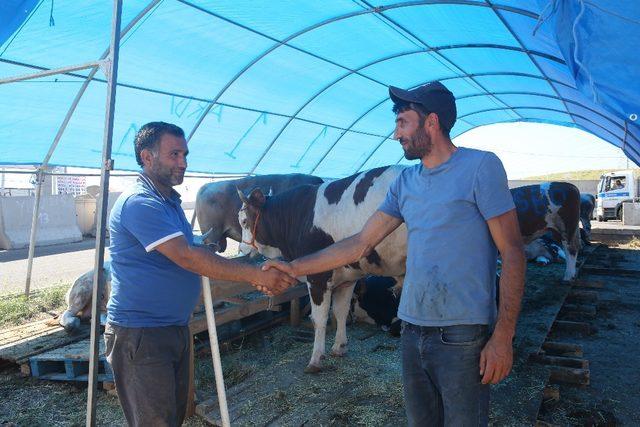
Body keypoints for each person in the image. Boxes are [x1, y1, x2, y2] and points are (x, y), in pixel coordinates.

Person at [264, 82, 525, 426]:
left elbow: (513, 252)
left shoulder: (481, 168)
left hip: (463, 334)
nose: (395, 134)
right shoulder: (406, 183)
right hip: (412, 329)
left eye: (402, 122)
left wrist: (503, 337)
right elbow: (359, 244)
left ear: (431, 122)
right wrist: (293, 266)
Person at [105, 122, 296, 426]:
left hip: (173, 327)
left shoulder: (169, 202)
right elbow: (185, 256)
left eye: (185, 154)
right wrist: (256, 275)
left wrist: (203, 247)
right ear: (147, 156)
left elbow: (187, 247)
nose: (183, 162)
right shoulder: (140, 202)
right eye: (174, 154)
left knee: (173, 416)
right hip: (141, 334)